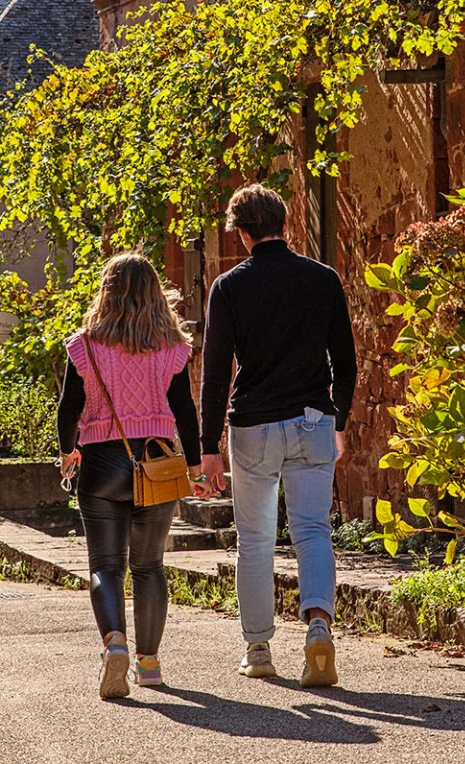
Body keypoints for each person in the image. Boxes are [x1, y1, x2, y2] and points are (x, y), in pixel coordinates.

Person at [200, 184, 357, 687]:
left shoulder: (228, 287)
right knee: (312, 530)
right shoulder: (323, 279)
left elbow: (214, 372)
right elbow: (346, 362)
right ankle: (317, 627)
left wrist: (207, 447)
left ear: (242, 233)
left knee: (256, 540)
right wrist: (340, 421)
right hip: (313, 418)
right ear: (285, 224)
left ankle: (259, 648)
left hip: (254, 425)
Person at [58, 253, 212, 700]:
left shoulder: (84, 346)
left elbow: (69, 408)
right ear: (154, 294)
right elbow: (186, 410)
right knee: (149, 566)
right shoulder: (172, 349)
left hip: (102, 464)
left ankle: (115, 645)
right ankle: (149, 664)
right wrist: (195, 467)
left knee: (106, 567)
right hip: (158, 464)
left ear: (106, 292)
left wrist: (69, 452)